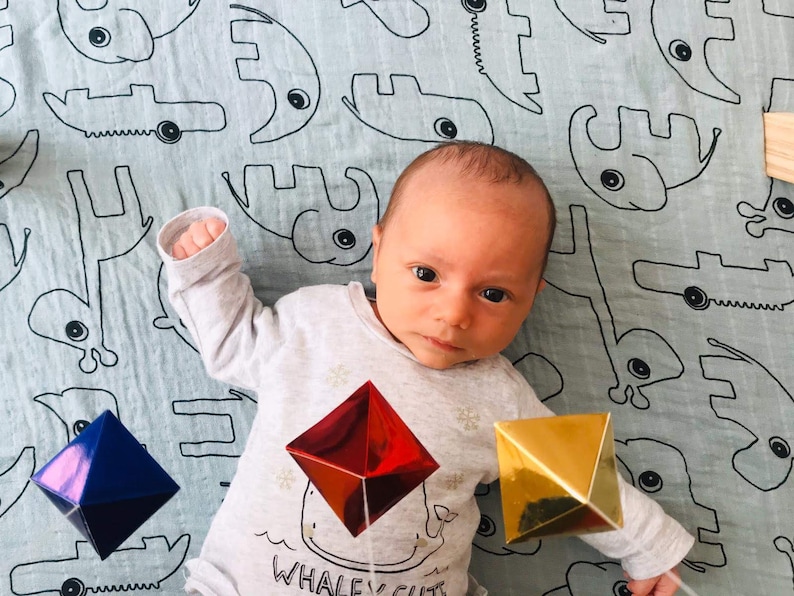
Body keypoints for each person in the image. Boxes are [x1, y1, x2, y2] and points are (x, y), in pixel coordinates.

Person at [158, 141, 694, 596]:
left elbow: (573, 485)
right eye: (426, 273)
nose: (455, 313)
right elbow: (231, 345)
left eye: (493, 293)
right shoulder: (314, 324)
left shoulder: (497, 395)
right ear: (378, 250)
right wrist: (207, 270)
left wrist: (648, 548)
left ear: (532, 299)